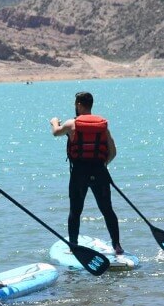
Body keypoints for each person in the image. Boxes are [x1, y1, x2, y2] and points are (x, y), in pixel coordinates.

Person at [51, 91, 123, 254]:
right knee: (107, 210)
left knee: (75, 211)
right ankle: (117, 246)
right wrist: (102, 165)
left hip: (79, 172)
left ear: (78, 105)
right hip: (99, 171)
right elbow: (112, 151)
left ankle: (74, 245)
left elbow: (56, 132)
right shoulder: (102, 125)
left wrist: (54, 122)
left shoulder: (71, 124)